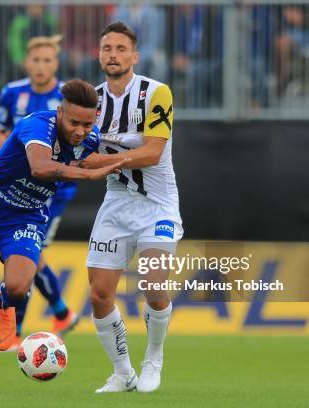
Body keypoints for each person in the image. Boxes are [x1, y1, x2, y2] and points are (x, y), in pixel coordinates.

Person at [0, 79, 126, 393]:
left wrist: (123, 162)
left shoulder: (90, 137)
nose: (80, 131)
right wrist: (88, 173)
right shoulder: (36, 124)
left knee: (18, 284)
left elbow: (90, 157)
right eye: (73, 123)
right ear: (59, 113)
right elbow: (40, 167)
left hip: (27, 216)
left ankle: (6, 304)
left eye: (87, 123)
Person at [78, 22, 183, 393]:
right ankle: (123, 372)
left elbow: (153, 153)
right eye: (107, 48)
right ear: (99, 54)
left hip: (158, 205)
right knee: (99, 293)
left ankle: (153, 357)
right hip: (117, 204)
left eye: (121, 49)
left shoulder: (157, 93)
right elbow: (77, 152)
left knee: (154, 286)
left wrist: (104, 162)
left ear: (134, 56)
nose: (113, 55)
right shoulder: (90, 101)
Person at [0, 35, 81, 351]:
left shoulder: (65, 97)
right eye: (36, 60)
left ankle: (18, 330)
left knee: (28, 256)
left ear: (56, 64)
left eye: (47, 61)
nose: (41, 66)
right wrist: (7, 153)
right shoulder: (13, 93)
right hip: (16, 188)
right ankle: (62, 313)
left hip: (53, 193)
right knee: (30, 256)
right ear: (27, 62)